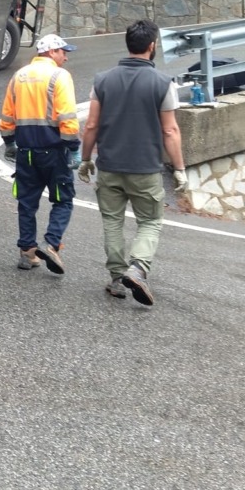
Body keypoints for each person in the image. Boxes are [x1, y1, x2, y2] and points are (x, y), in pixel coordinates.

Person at [77, 19, 188, 306]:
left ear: (128, 44)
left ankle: (116, 279)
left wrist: (86, 159)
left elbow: (91, 125)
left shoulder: (102, 80)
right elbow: (170, 130)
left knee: (112, 222)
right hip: (145, 169)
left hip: (109, 166)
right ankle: (137, 269)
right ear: (152, 47)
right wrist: (179, 169)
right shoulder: (163, 83)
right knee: (150, 221)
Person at [0, 32, 80, 274]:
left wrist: (9, 142)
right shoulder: (59, 75)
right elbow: (67, 117)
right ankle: (52, 244)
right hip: (54, 152)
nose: (65, 57)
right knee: (63, 200)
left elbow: (7, 115)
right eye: (63, 52)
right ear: (52, 52)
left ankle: (27, 253)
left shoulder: (18, 76)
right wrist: (74, 149)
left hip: (26, 152)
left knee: (26, 203)